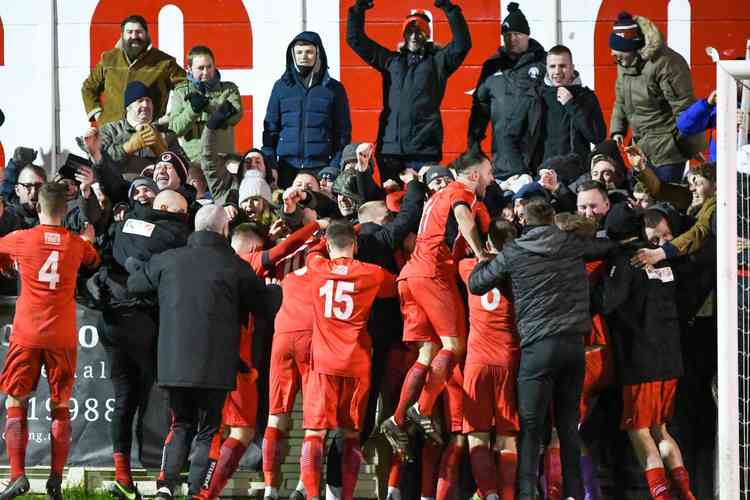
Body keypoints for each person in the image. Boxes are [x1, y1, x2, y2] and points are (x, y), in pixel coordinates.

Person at [468, 197, 616, 500]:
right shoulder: (571, 243)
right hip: (574, 346)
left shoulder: (514, 251)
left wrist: (484, 259)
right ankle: (573, 494)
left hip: (537, 348)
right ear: (551, 220)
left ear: (525, 222)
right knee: (567, 426)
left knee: (531, 428)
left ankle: (526, 494)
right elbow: (609, 248)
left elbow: (477, 284)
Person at [127, 204, 268, 499]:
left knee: (180, 424)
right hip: (217, 365)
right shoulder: (235, 266)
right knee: (208, 431)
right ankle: (198, 493)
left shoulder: (169, 260)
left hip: (174, 362)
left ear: (194, 226)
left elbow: (135, 284)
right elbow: (264, 304)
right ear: (224, 230)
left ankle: (165, 488)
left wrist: (138, 268)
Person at [381, 150, 491, 460]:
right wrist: (481, 255)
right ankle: (422, 408)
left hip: (411, 275)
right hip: (433, 272)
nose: (491, 179)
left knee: (428, 352)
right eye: (488, 173)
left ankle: (398, 417)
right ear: (473, 175)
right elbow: (463, 219)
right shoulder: (461, 192)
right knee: (454, 346)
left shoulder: (437, 195)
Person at [0, 183, 100, 500]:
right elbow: (94, 260)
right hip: (62, 334)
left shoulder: (20, 240)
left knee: (15, 401)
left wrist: (5, 265)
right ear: (65, 209)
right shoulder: (75, 245)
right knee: (61, 405)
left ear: (38, 208)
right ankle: (56, 480)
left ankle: (18, 476)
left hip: (27, 333)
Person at [592, 202, 695, 500]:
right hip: (670, 357)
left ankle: (661, 496)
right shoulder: (660, 259)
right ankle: (686, 494)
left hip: (641, 360)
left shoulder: (626, 261)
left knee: (639, 431)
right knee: (661, 430)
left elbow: (607, 303)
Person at [94, 189, 191, 500]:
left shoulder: (124, 224)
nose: (184, 218)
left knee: (125, 398)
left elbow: (104, 257)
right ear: (166, 210)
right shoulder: (177, 235)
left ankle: (124, 476)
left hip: (111, 320)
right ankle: (169, 475)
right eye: (182, 212)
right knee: (173, 395)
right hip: (145, 322)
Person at [300, 219, 397, 500]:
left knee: (315, 434)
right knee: (351, 434)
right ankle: (347, 496)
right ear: (355, 246)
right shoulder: (373, 273)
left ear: (329, 245)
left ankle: (311, 495)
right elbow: (399, 288)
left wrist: (324, 239)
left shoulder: (317, 268)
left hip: (324, 363)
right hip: (357, 363)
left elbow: (312, 252)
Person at [347, 0, 471, 181]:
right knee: (391, 204)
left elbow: (462, 44)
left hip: (424, 152)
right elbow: (355, 39)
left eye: (419, 31)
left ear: (426, 35)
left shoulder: (438, 62)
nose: (414, 36)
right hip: (390, 152)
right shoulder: (391, 62)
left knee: (421, 203)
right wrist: (359, 8)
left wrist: (448, 8)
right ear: (404, 35)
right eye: (410, 31)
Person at [458, 218, 519, 500]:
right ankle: (505, 496)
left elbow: (459, 252)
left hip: (477, 362)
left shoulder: (467, 267)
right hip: (509, 359)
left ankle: (489, 493)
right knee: (508, 437)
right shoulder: (519, 272)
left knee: (477, 435)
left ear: (486, 244)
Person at [609, 12, 703, 183]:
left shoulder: (667, 63)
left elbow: (685, 108)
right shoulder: (624, 63)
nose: (615, 57)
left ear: (635, 48)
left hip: (667, 151)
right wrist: (618, 130)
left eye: (620, 54)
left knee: (664, 202)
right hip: (640, 149)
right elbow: (620, 99)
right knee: (643, 202)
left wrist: (692, 147)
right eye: (615, 54)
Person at [467, 2, 546, 179]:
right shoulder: (492, 66)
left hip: (537, 158)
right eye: (507, 35)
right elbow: (480, 106)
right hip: (503, 159)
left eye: (517, 34)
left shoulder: (543, 63)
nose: (512, 39)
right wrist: (474, 141)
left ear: (527, 35)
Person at [263, 32, 351, 188]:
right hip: (286, 169)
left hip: (321, 170)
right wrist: (271, 166)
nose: (304, 56)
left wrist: (333, 167)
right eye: (299, 52)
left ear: (318, 53)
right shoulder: (281, 87)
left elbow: (343, 134)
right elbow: (270, 130)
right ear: (293, 55)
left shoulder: (334, 89)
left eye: (309, 52)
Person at [81, 15, 185, 126]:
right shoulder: (109, 58)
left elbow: (185, 87)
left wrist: (171, 117)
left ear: (147, 34)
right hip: (112, 132)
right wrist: (98, 115)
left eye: (139, 32)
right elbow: (89, 87)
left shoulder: (164, 62)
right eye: (129, 32)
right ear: (122, 35)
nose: (134, 36)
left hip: (147, 132)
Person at [536, 45, 606, 178]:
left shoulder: (586, 96)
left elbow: (598, 137)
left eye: (562, 66)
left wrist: (571, 104)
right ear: (546, 68)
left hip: (578, 174)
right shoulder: (538, 97)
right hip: (545, 173)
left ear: (572, 67)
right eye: (552, 66)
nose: (557, 71)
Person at [95, 81, 187, 178]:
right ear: (128, 107)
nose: (146, 105)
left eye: (149, 101)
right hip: (120, 189)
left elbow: (183, 169)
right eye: (140, 101)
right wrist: (126, 148)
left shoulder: (166, 134)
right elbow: (98, 161)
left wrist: (162, 152)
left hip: (154, 190)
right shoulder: (110, 130)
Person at [168, 45, 243, 162]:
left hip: (223, 160)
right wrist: (193, 110)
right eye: (200, 68)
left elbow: (235, 117)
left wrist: (208, 106)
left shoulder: (229, 89)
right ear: (189, 68)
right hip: (194, 162)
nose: (206, 72)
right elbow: (174, 129)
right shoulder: (181, 92)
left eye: (209, 67)